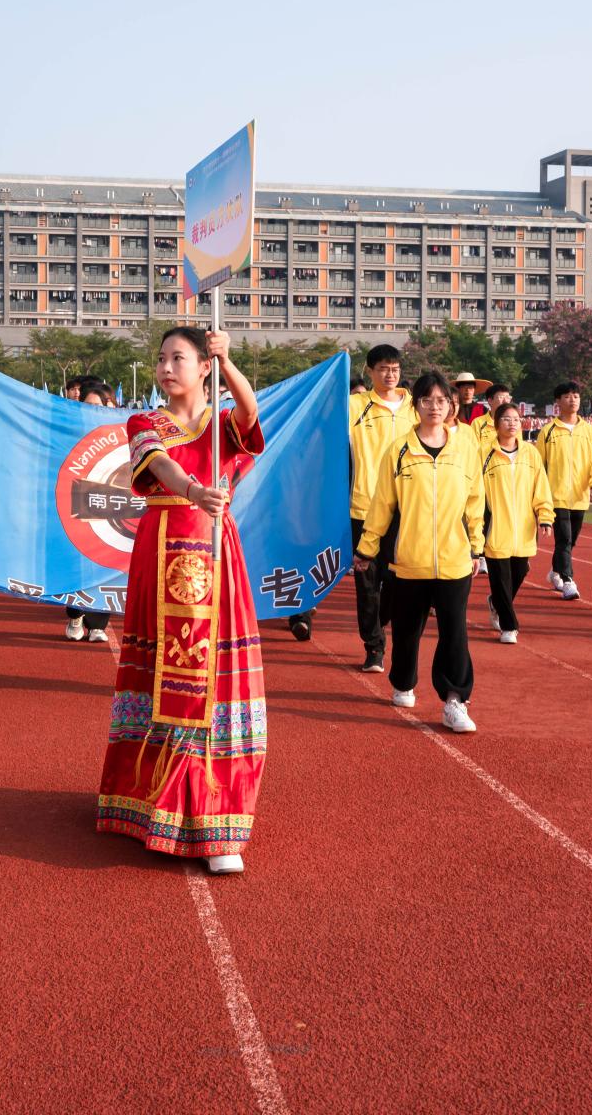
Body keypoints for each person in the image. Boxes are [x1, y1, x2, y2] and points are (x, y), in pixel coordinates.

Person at [95, 326, 266, 875]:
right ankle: (154, 798)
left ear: (204, 366)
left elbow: (250, 412)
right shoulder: (144, 422)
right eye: (162, 359)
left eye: (180, 358)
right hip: (163, 545)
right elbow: (162, 467)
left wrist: (230, 362)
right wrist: (194, 490)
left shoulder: (222, 425)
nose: (167, 368)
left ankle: (217, 814)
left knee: (213, 673)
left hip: (216, 552)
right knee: (165, 675)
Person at [355, 372, 485, 733]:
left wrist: (477, 545)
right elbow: (382, 504)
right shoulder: (399, 450)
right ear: (416, 406)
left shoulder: (465, 449)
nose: (434, 407)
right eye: (427, 400)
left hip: (455, 559)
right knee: (407, 629)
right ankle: (403, 681)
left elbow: (475, 501)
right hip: (409, 560)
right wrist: (367, 547)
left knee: (454, 631)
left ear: (451, 406)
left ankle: (455, 699)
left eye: (441, 401)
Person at [295, 343, 414, 662]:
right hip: (364, 506)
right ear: (370, 371)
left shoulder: (414, 408)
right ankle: (374, 646)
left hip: (406, 508)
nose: (390, 374)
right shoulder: (353, 405)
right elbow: (318, 420)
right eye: (383, 369)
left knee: (396, 579)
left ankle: (380, 623)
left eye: (395, 369)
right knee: (367, 581)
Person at [479, 402, 554, 643]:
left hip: (524, 527)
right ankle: (509, 627)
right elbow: (474, 491)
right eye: (506, 419)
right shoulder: (484, 454)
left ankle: (496, 603)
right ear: (496, 424)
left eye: (515, 419)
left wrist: (545, 515)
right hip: (495, 527)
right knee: (500, 578)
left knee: (520, 571)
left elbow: (541, 486)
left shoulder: (530, 454)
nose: (512, 423)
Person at [65, 380, 118, 643]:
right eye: (88, 405)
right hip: (75, 504)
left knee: (103, 563)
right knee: (77, 563)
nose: (94, 410)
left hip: (107, 504)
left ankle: (98, 624)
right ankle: (75, 615)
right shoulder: (69, 428)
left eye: (99, 405)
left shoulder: (119, 430)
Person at [535, 381, 592, 601]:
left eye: (576, 396)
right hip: (556, 495)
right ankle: (568, 580)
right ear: (558, 401)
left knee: (571, 541)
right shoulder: (548, 431)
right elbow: (539, 465)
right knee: (564, 539)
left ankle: (555, 571)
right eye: (568, 396)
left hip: (580, 496)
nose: (573, 400)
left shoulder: (589, 431)